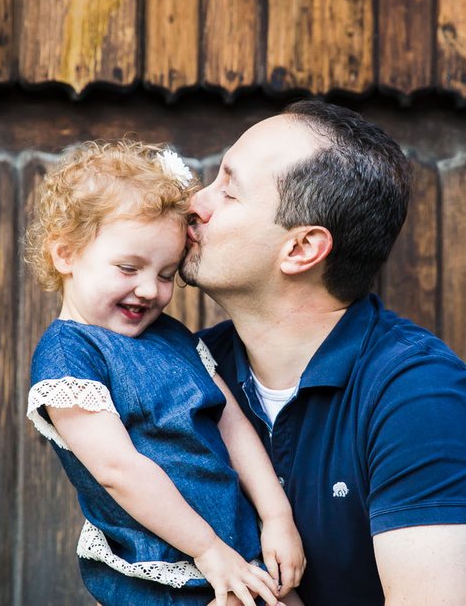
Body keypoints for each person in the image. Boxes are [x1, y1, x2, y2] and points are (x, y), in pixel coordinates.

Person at [181, 100, 466, 605]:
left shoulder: (416, 393)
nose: (196, 201)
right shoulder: (189, 372)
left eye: (228, 191)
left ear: (302, 249)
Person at [23, 140, 305, 606]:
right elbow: (119, 471)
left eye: (167, 274)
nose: (149, 290)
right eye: (128, 267)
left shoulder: (172, 336)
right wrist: (207, 549)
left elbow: (231, 424)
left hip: (235, 539)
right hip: (164, 565)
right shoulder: (68, 357)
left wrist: (277, 516)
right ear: (66, 255)